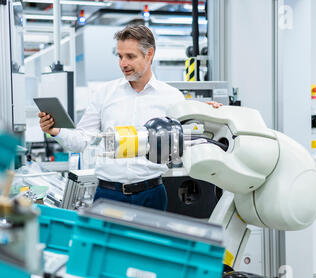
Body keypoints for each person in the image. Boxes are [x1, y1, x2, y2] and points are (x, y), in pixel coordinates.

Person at [39, 24, 222, 211]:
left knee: (148, 242)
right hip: (109, 195)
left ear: (149, 54)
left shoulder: (172, 97)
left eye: (130, 57)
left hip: (152, 194)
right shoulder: (105, 94)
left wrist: (209, 113)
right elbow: (81, 140)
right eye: (119, 56)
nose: (123, 63)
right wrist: (56, 131)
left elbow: (190, 135)